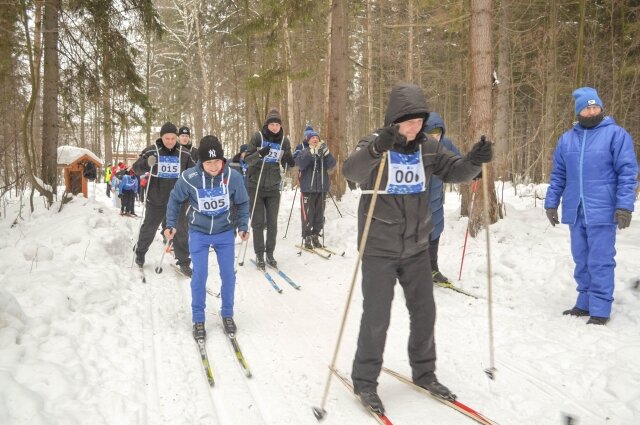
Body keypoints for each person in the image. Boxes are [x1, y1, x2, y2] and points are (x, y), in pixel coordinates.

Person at [342, 83, 493, 414]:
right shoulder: (375, 142)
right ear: (394, 120)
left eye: (419, 121)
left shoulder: (428, 147)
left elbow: (455, 171)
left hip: (415, 247)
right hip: (379, 248)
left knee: (425, 312)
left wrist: (474, 162)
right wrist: (376, 149)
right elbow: (351, 172)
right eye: (408, 121)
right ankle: (365, 381)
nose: (414, 127)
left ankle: (425, 373)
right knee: (377, 316)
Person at [544, 87, 638, 326]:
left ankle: (600, 308)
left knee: (601, 260)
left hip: (603, 210)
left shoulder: (616, 135)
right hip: (576, 209)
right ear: (579, 111)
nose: (592, 110)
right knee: (581, 259)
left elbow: (628, 173)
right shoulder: (567, 139)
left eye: (596, 106)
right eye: (587, 106)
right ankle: (584, 302)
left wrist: (624, 206)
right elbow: (559, 175)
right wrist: (552, 202)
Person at [164, 135, 250, 340]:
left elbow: (243, 202)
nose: (213, 166)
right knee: (199, 275)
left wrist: (243, 225)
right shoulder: (189, 178)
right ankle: (198, 317)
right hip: (199, 232)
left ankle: (227, 314)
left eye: (217, 161)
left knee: (228, 274)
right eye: (208, 162)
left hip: (224, 232)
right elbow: (175, 200)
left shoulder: (233, 176)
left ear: (223, 160)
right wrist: (170, 224)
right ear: (201, 162)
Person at [133, 122, 195, 276]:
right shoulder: (152, 150)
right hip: (156, 198)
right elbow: (136, 169)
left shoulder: (184, 154)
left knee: (181, 230)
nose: (170, 141)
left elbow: (193, 174)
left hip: (178, 199)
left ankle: (184, 262)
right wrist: (147, 162)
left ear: (177, 138)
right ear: (161, 137)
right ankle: (140, 252)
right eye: (167, 138)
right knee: (149, 227)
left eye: (173, 138)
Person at [243, 108, 296, 269]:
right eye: (272, 124)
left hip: (273, 187)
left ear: (280, 126)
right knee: (258, 222)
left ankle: (270, 253)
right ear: (267, 125)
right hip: (256, 185)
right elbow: (247, 161)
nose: (274, 127)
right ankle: (259, 254)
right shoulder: (258, 137)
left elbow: (287, 164)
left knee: (272, 222)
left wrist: (289, 161)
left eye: (277, 124)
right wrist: (260, 154)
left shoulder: (283, 141)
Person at [422, 112, 462, 285]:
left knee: (435, 232)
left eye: (438, 134)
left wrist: (474, 170)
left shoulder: (445, 144)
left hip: (436, 199)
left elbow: (458, 162)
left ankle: (433, 269)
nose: (435, 138)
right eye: (431, 135)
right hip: (417, 201)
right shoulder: (414, 146)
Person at [294, 125, 336, 249]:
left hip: (322, 187)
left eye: (317, 137)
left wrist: (327, 154)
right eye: (312, 138)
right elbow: (300, 164)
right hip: (308, 188)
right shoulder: (303, 150)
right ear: (307, 139)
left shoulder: (322, 151)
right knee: (308, 214)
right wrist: (309, 152)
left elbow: (331, 165)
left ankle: (315, 235)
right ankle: (307, 236)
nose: (315, 139)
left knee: (319, 214)